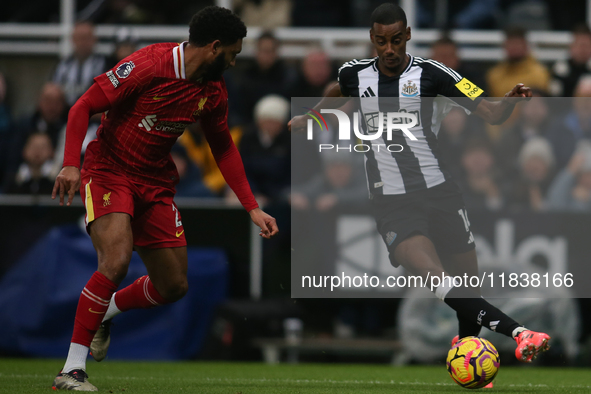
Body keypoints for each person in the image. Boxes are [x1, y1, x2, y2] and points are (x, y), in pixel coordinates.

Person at [289, 3, 550, 373]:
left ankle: (468, 363)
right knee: (437, 279)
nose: (389, 49)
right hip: (392, 201)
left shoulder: (434, 74)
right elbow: (338, 90)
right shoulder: (355, 74)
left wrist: (508, 103)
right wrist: (311, 116)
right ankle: (521, 333)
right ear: (372, 40)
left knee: (468, 289)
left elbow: (490, 113)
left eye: (396, 40)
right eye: (381, 41)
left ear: (408, 35)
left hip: (440, 192)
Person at [51, 6, 278, 391]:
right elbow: (82, 106)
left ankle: (107, 311)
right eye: (234, 53)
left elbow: (222, 147)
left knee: (174, 286)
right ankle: (72, 370)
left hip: (155, 181)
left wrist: (251, 205)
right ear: (214, 47)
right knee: (117, 258)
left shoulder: (212, 90)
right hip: (109, 170)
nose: (235, 62)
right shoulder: (148, 64)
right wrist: (71, 163)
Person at [52, 21, 107, 107]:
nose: (83, 42)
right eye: (80, 38)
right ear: (72, 40)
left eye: (87, 38)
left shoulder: (105, 64)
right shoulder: (63, 64)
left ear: (94, 40)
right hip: (65, 113)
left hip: (94, 114)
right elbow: (52, 88)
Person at [551, 24, 591, 97]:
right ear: (572, 46)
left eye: (587, 46)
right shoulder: (560, 70)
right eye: (581, 45)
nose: (583, 50)